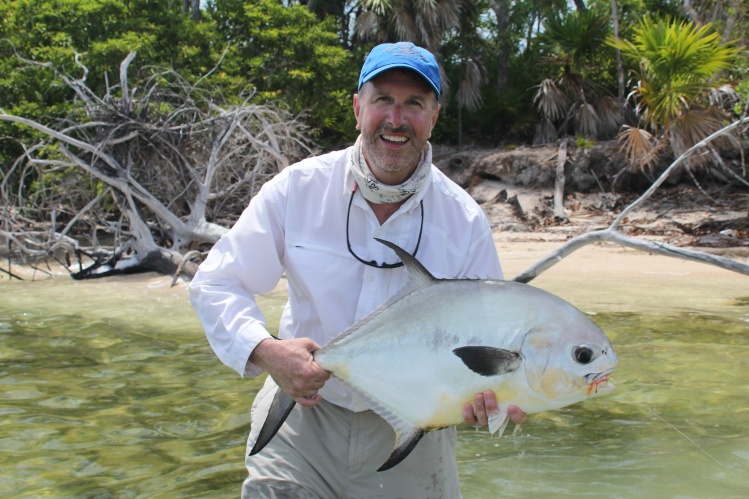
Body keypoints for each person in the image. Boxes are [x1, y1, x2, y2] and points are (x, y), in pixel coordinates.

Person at [189, 41, 526, 498]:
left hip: (414, 429)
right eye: (383, 99)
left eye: (414, 104)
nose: (396, 119)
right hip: (304, 416)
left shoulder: (463, 221)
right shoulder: (296, 189)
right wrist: (266, 351)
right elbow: (217, 282)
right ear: (357, 107)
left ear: (434, 116)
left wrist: (498, 398)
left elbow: (489, 341)